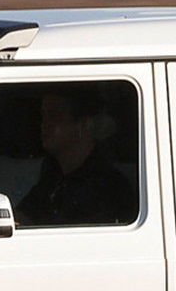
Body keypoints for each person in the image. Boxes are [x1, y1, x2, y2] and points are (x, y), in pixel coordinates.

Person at [17, 88, 138, 227]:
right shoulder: (53, 178)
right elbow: (23, 217)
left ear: (82, 124)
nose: (43, 125)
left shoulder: (106, 187)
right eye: (43, 116)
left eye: (53, 116)